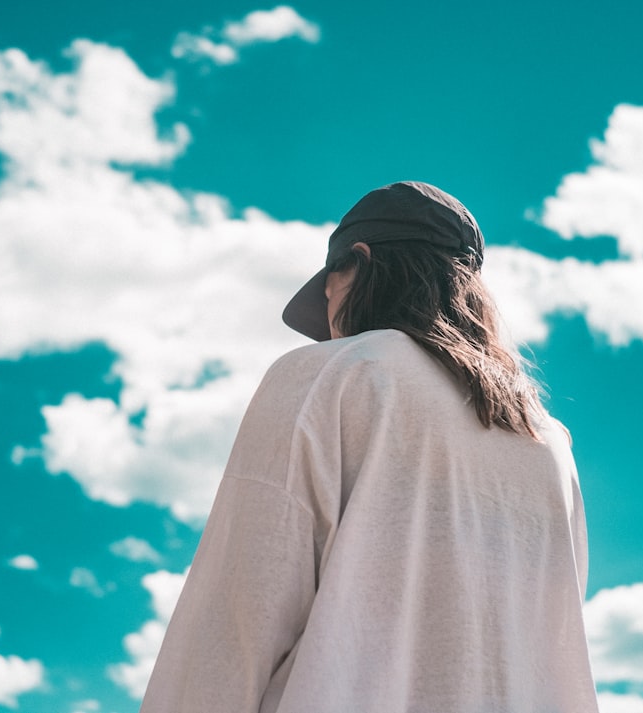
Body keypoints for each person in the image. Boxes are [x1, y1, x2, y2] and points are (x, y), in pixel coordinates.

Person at [139, 181, 599, 713]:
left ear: (353, 265)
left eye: (328, 296)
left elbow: (238, 615)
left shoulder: (329, 376)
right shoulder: (546, 441)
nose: (332, 328)